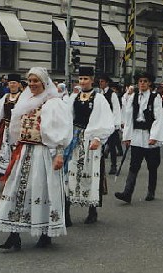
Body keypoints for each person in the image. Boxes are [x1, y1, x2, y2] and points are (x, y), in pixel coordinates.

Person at [0, 67, 72, 250]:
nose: (32, 84)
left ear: (44, 82)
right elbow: (15, 125)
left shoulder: (53, 103)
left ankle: (45, 233)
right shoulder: (25, 100)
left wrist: (59, 153)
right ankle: (14, 234)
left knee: (42, 191)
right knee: (15, 191)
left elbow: (61, 128)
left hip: (43, 153)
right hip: (24, 151)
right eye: (29, 81)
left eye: (36, 81)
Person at [63, 66, 114, 225]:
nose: (83, 82)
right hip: (74, 139)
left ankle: (92, 211)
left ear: (92, 80)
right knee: (69, 174)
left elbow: (106, 119)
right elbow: (67, 116)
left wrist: (98, 137)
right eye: (81, 79)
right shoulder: (74, 97)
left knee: (90, 173)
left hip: (90, 139)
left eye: (86, 79)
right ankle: (66, 212)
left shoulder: (99, 99)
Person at [114, 71, 163, 203]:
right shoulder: (134, 97)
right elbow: (129, 117)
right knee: (134, 165)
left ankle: (151, 191)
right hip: (137, 135)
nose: (142, 84)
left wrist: (154, 136)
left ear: (149, 83)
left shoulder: (155, 98)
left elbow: (158, 118)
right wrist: (127, 136)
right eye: (140, 81)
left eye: (145, 81)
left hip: (149, 134)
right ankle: (127, 192)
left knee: (152, 165)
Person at [0, 74, 22, 191]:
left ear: (19, 84)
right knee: (2, 153)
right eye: (10, 83)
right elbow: (1, 112)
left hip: (16, 130)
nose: (12, 85)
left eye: (14, 83)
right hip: (5, 129)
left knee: (15, 154)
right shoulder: (6, 97)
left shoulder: (21, 97)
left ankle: (13, 181)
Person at [97, 74, 122, 175]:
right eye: (100, 82)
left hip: (111, 123)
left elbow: (116, 109)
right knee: (101, 146)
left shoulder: (112, 94)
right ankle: (100, 165)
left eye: (102, 81)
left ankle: (113, 166)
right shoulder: (99, 94)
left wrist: (116, 124)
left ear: (107, 83)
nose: (100, 83)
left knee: (112, 146)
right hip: (102, 123)